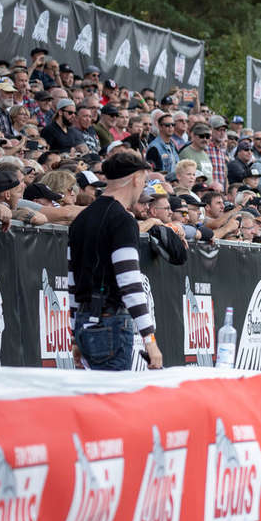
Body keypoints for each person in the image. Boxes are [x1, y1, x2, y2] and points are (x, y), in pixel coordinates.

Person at [66, 151, 163, 370]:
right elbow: (129, 281)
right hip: (109, 322)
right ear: (137, 178)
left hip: (84, 321)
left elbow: (72, 282)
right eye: (144, 181)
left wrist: (75, 335)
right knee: (111, 400)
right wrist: (150, 339)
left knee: (93, 400)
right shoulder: (122, 220)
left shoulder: (81, 219)